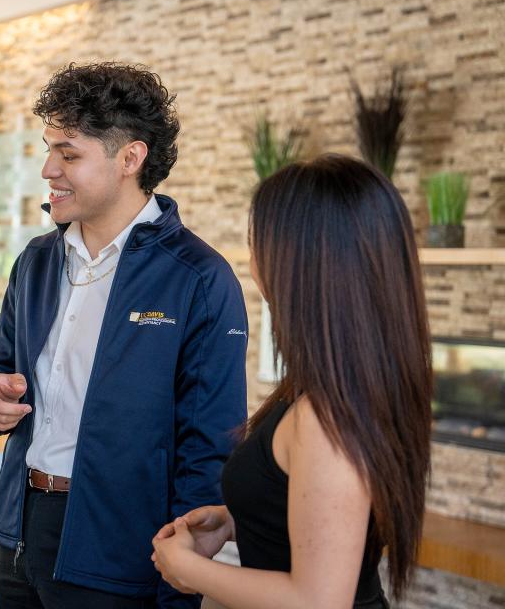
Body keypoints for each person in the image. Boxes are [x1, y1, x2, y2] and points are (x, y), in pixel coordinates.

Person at [0, 62, 249, 609]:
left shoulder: (198, 277)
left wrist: (181, 583)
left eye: (69, 154)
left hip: (123, 547)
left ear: (130, 159)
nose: (48, 169)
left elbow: (209, 446)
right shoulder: (38, 260)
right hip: (19, 531)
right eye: (48, 150)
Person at [152, 155, 433, 609]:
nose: (252, 258)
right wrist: (237, 520)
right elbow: (332, 520)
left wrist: (188, 570)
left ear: (299, 259)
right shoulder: (348, 385)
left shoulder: (327, 419)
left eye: (256, 240)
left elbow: (319, 601)